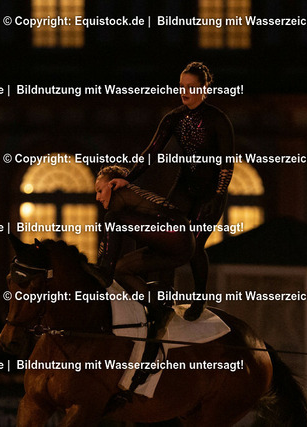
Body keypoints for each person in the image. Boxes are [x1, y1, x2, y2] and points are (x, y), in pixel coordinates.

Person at [111, 62, 234, 321]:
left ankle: (199, 299)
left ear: (204, 88)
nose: (184, 92)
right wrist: (127, 178)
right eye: (181, 86)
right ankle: (166, 293)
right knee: (166, 236)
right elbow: (152, 152)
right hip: (183, 187)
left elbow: (226, 164)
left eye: (191, 87)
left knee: (194, 245)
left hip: (210, 192)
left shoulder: (218, 120)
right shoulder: (173, 118)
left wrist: (217, 195)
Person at [94, 165, 194, 394]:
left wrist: (100, 269)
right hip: (174, 244)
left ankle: (106, 273)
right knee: (122, 269)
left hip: (177, 237)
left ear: (113, 185)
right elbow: (125, 239)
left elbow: (111, 233)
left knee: (112, 221)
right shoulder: (129, 199)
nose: (97, 197)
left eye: (100, 190)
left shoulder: (122, 194)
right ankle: (158, 309)